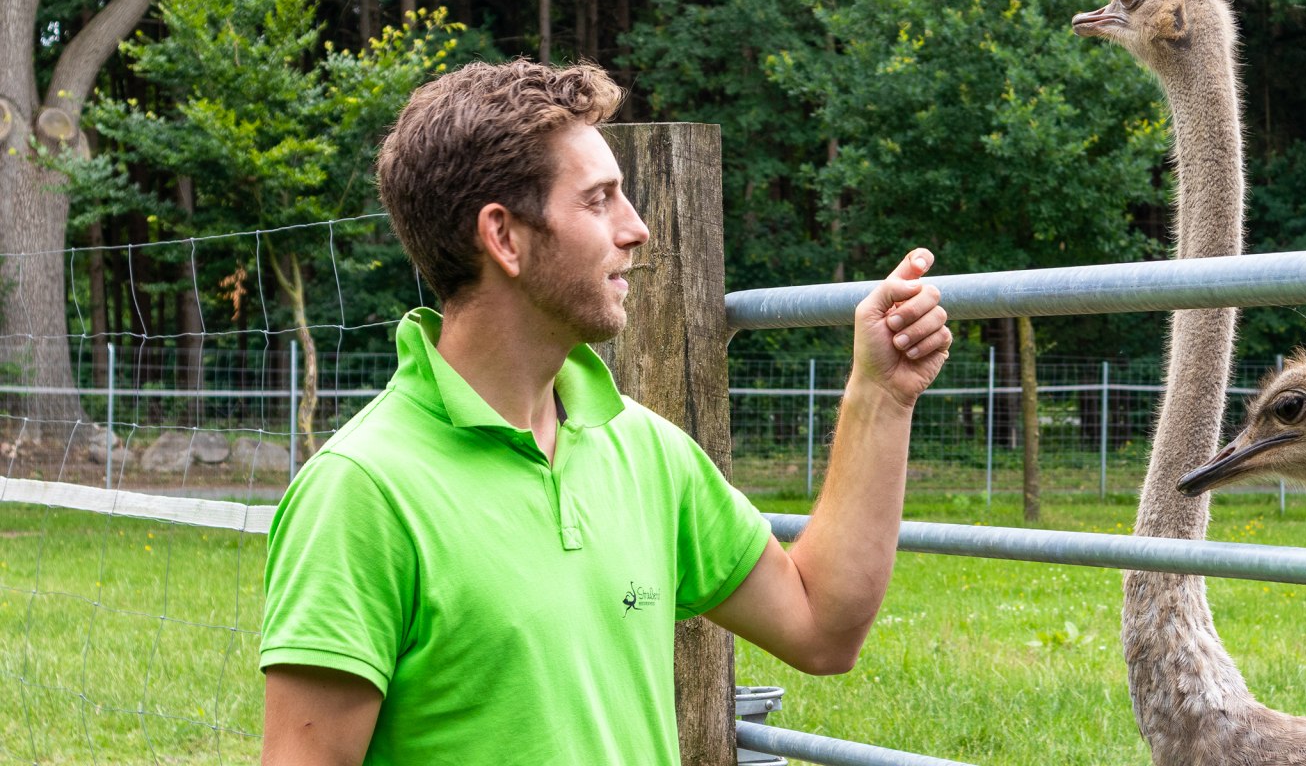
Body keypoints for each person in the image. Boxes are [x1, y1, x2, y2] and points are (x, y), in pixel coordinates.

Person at [258, 60, 952, 765]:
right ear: (504, 237)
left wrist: (881, 396)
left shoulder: (646, 452)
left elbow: (822, 627)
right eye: (599, 200)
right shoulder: (361, 493)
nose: (639, 229)